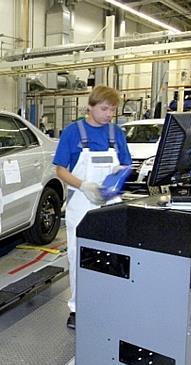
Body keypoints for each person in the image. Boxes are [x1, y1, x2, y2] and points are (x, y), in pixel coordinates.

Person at [52, 85, 132, 330]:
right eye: (105, 109)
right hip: (82, 202)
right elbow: (60, 169)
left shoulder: (116, 133)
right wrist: (83, 184)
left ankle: (111, 303)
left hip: (110, 203)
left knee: (114, 256)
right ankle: (77, 308)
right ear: (90, 107)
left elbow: (127, 163)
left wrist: (120, 173)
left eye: (113, 109)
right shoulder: (72, 133)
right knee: (79, 256)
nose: (109, 114)